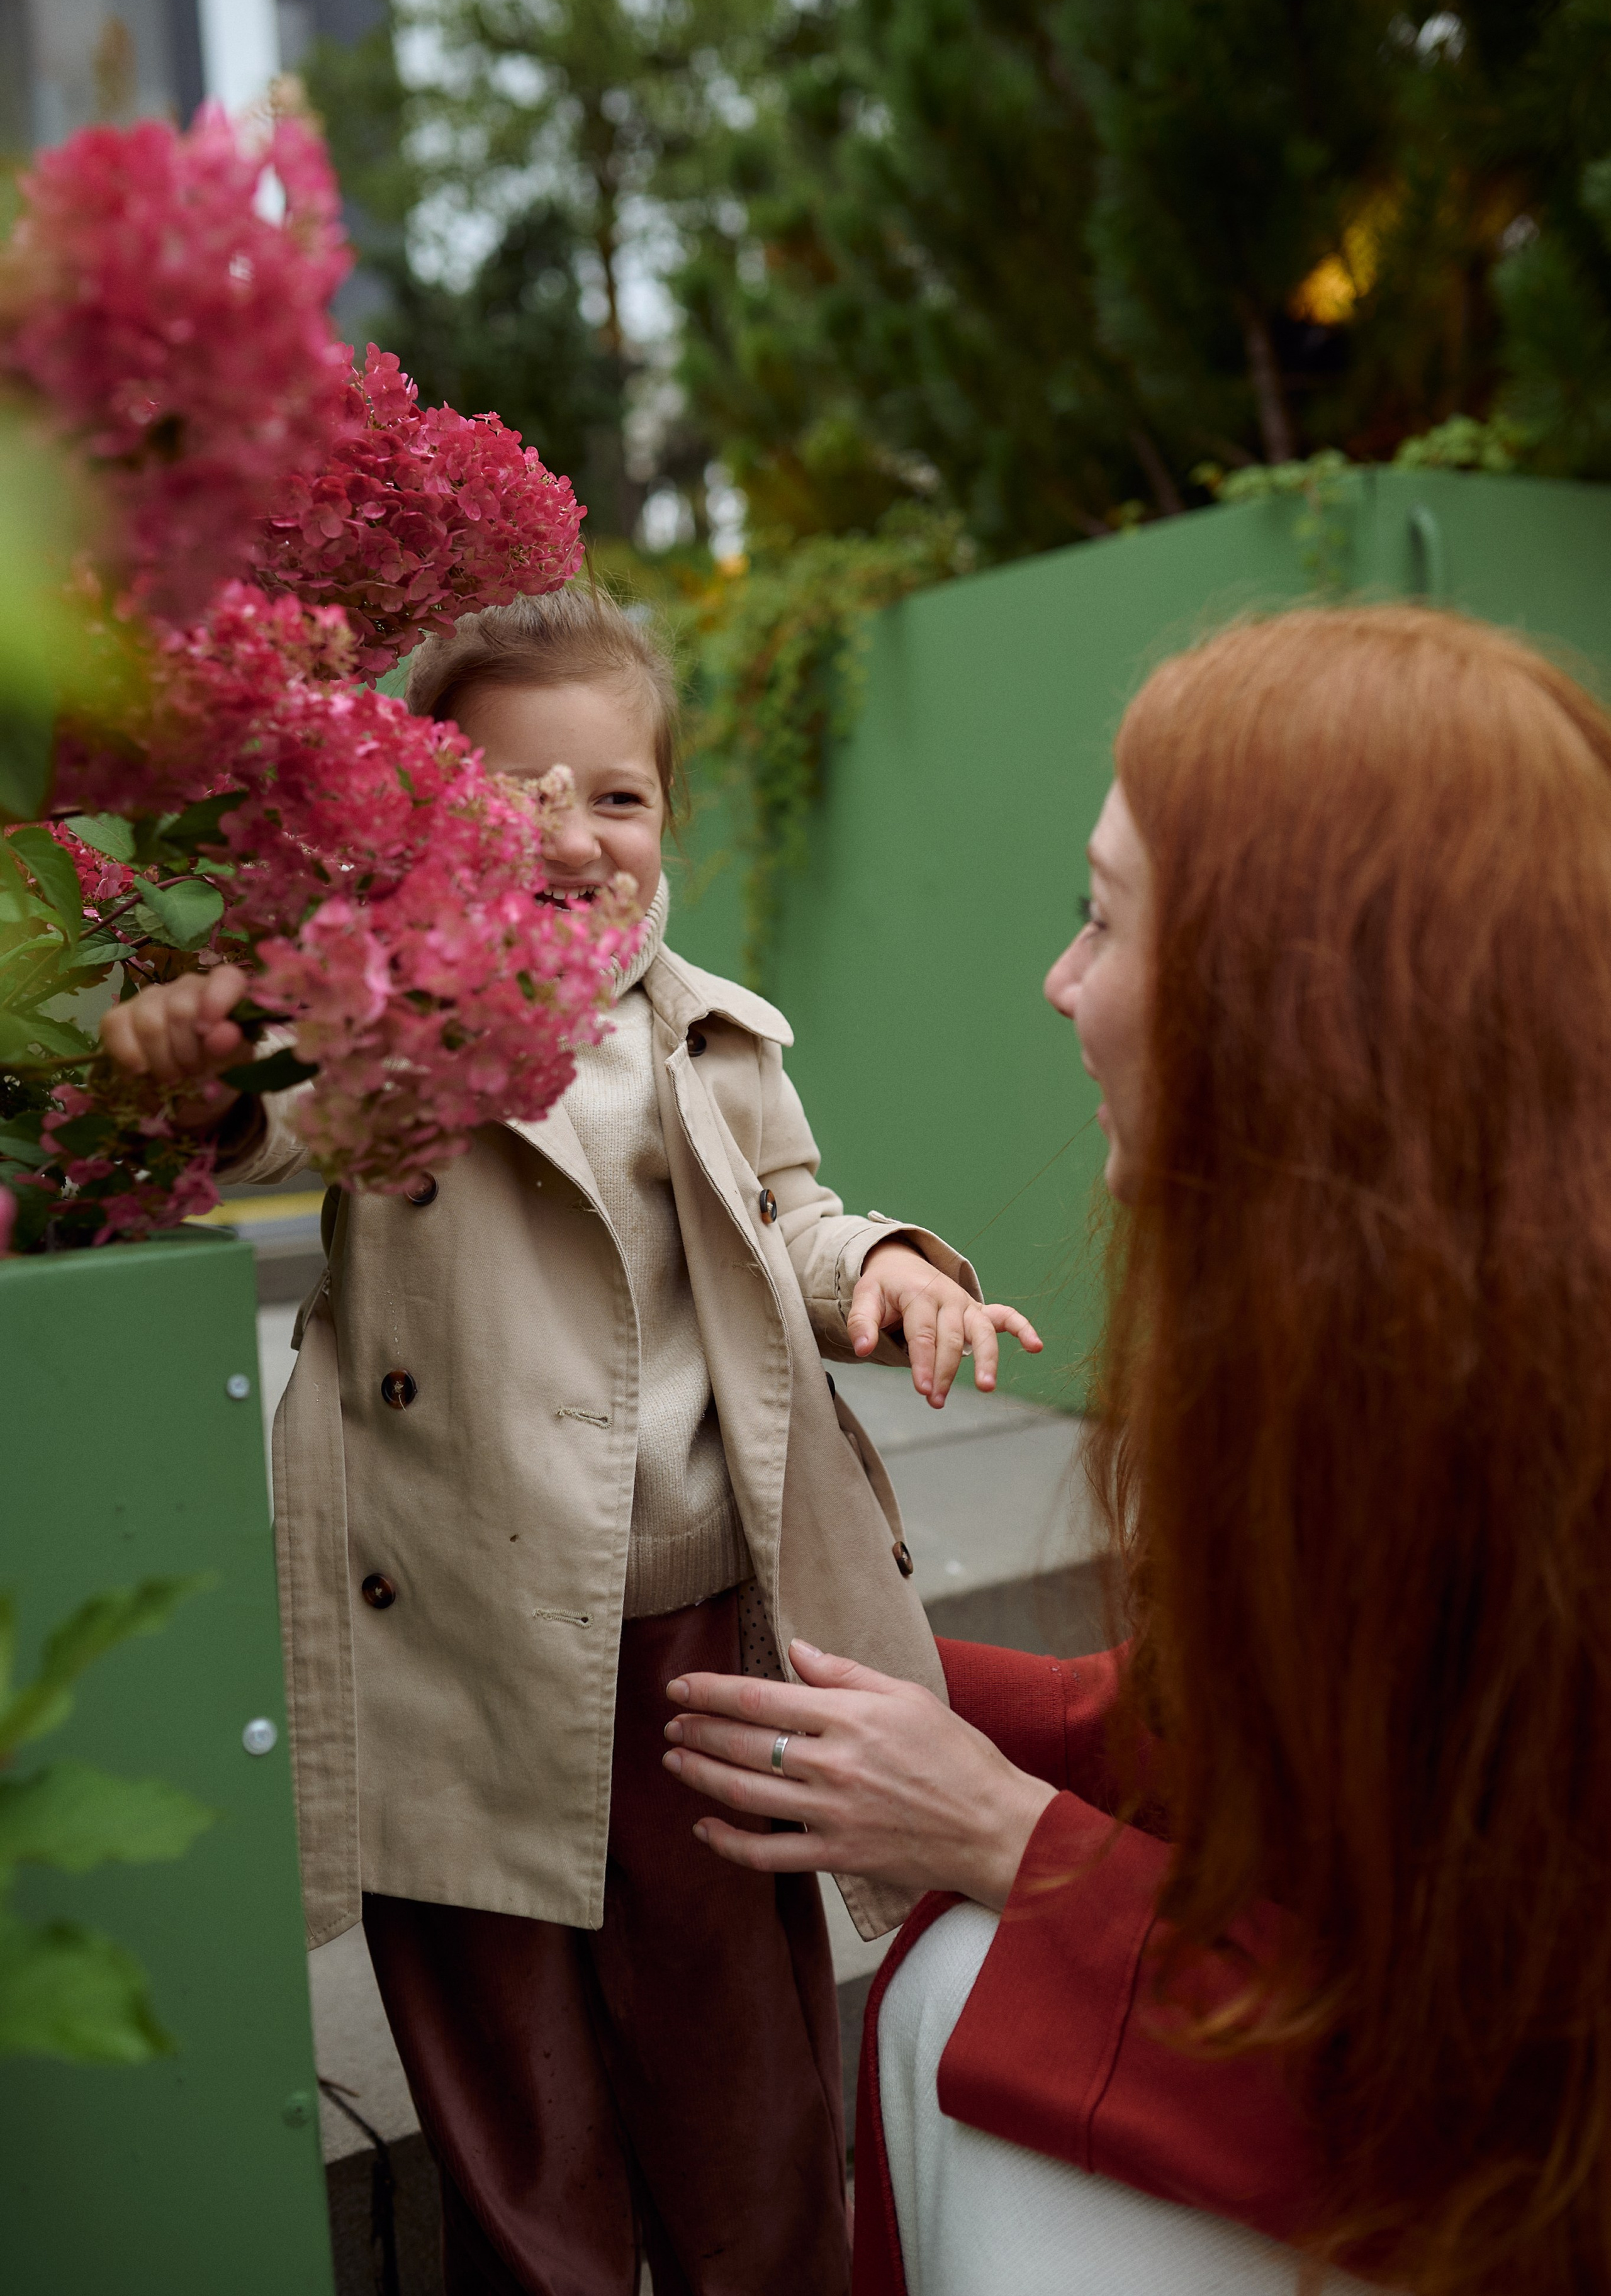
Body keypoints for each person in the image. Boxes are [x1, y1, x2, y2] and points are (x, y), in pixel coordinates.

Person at [100, 586, 1043, 2296]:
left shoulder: (715, 1037)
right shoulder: (392, 1026)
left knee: (742, 2079)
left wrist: (892, 1269)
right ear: (419, 823)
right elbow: (265, 1117)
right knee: (513, 2103)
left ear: (667, 814)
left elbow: (796, 1217)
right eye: (511, 792)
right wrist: (198, 1069)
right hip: (459, 1642)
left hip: (690, 1641)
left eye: (615, 793)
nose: (570, 829)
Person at [660, 604, 1611, 2296]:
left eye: (1103, 916)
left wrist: (1013, 1836)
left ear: (1299, 998)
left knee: (963, 1973)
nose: (1060, 979)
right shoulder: (1414, 1350)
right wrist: (834, 1662)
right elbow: (1259, 1737)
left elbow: (1502, 2087)